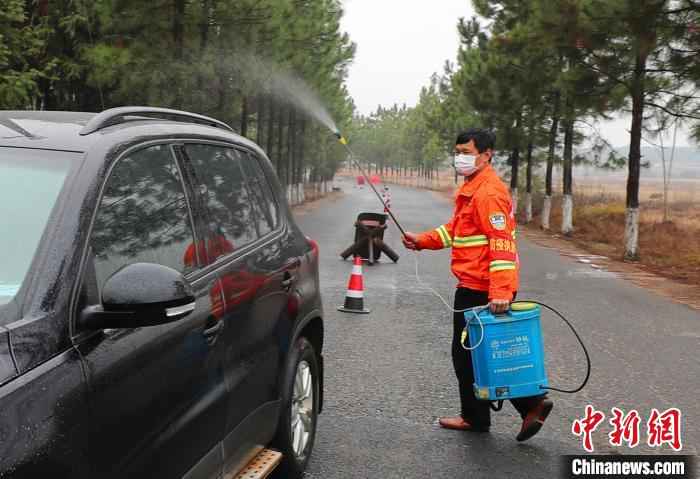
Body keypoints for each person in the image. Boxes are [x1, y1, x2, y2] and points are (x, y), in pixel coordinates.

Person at [402, 128, 553, 442]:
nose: (460, 157)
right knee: (482, 353)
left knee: (468, 353)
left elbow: (501, 246)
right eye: (457, 151)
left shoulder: (488, 193)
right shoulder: (473, 189)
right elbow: (456, 231)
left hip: (482, 288)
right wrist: (422, 241)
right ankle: (519, 408)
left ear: (486, 155)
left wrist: (499, 291)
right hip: (475, 284)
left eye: (467, 152)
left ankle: (499, 412)